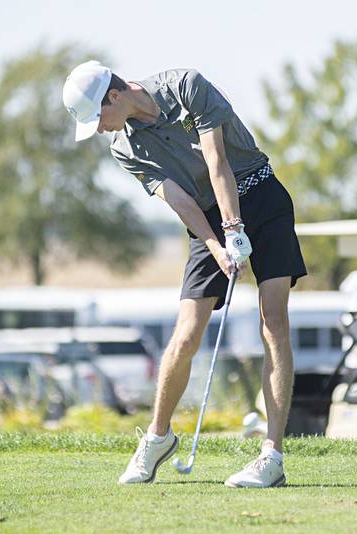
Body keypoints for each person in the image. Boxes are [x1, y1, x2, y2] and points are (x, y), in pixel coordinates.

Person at [62, 61, 307, 488]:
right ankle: (158, 437)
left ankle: (272, 456)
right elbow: (180, 200)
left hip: (261, 195)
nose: (100, 129)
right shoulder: (124, 147)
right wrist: (218, 245)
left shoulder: (186, 87)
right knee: (187, 332)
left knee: (274, 322)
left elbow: (218, 161)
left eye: (98, 117)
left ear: (114, 96)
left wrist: (236, 229)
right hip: (206, 217)